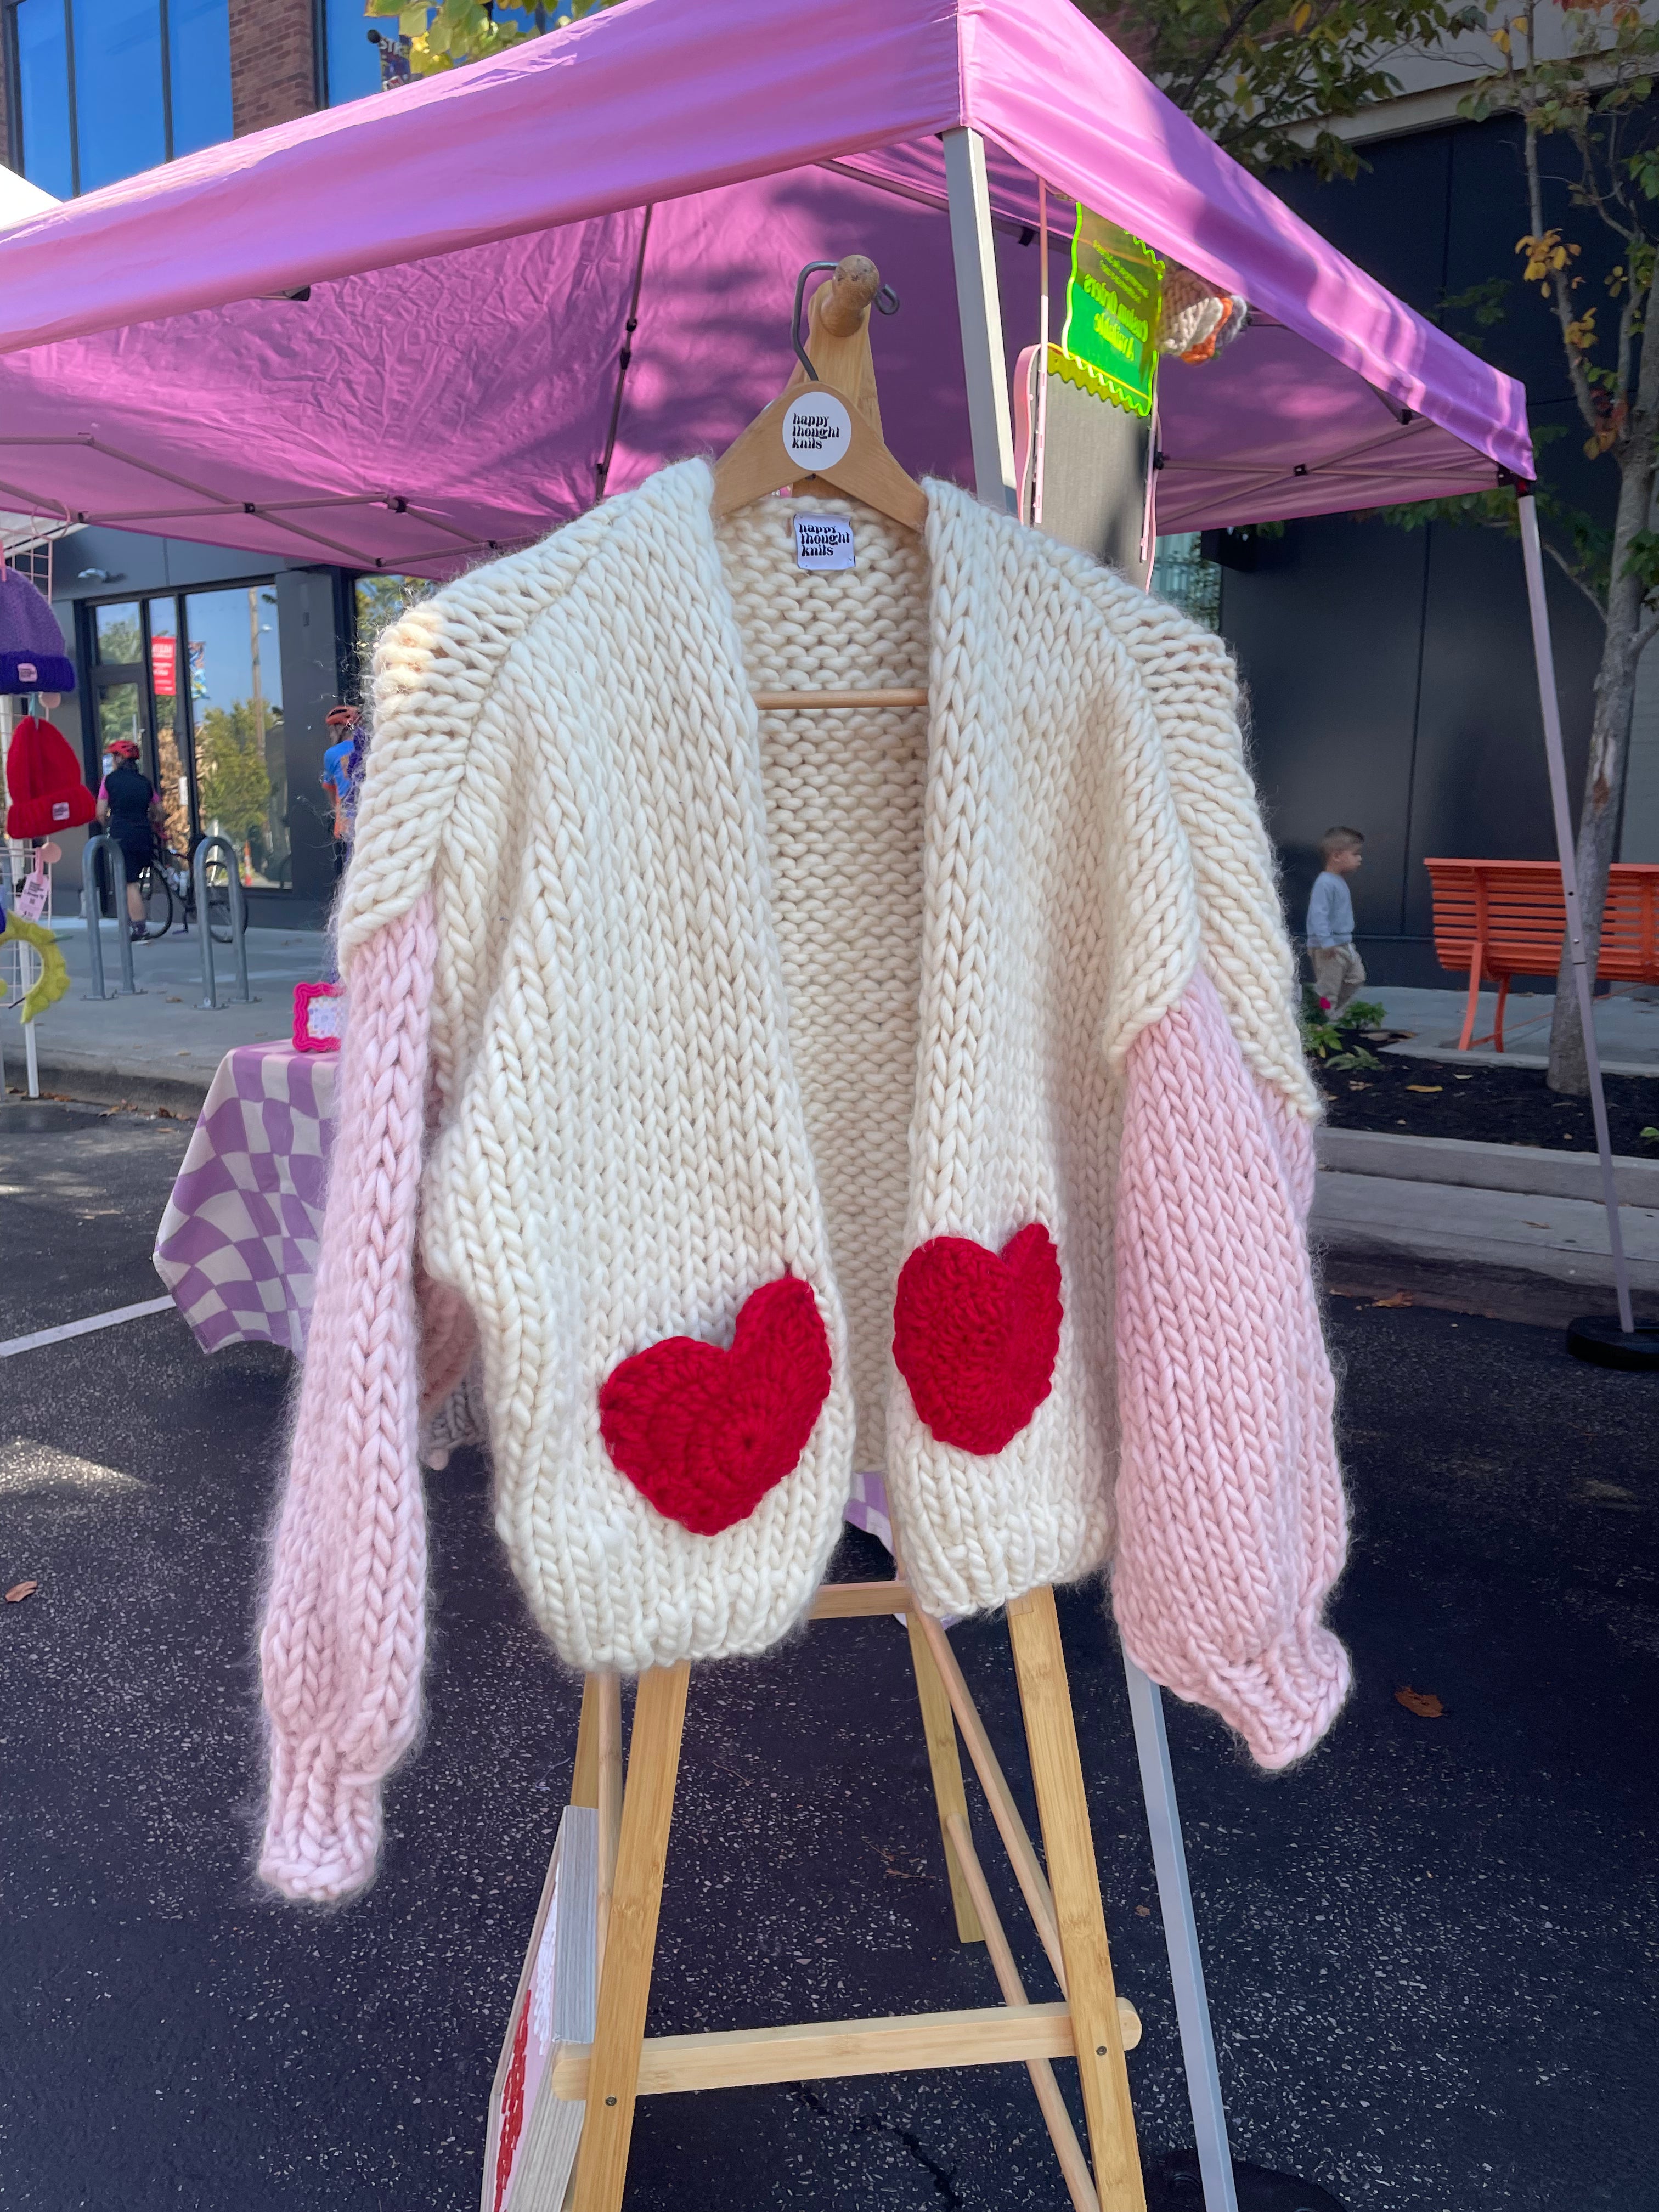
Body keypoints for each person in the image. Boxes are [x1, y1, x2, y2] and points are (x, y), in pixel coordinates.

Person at [96, 737, 165, 941]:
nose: (112, 760)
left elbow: (100, 812)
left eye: (114, 756)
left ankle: (140, 929)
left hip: (122, 835)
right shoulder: (145, 783)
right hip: (144, 833)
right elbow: (160, 811)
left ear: (120, 758)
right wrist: (154, 821)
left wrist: (108, 825)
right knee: (138, 874)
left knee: (130, 883)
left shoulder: (109, 781)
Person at [1306, 825, 1365, 1017]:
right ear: (1337, 856)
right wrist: (1326, 941)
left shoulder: (1338, 881)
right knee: (1328, 989)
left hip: (1344, 943)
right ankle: (1323, 1019)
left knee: (1357, 978)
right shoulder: (1325, 883)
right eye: (1355, 854)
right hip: (1328, 947)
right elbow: (1318, 914)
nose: (1360, 859)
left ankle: (1322, 1011)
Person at [321, 705, 365, 876]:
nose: (330, 735)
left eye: (331, 730)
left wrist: (336, 811)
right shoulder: (370, 747)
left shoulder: (331, 754)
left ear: (341, 728)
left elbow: (330, 791)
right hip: (371, 816)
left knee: (351, 871)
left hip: (348, 823)